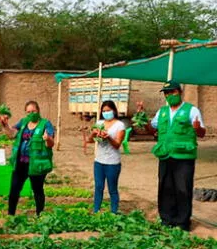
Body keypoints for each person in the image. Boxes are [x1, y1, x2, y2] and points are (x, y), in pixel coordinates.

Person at [137, 80, 205, 231]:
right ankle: (166, 219)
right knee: (165, 188)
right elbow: (151, 130)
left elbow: (202, 133)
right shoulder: (161, 112)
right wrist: (142, 116)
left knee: (183, 189)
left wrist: (197, 128)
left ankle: (182, 222)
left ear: (180, 92)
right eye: (167, 93)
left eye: (172, 92)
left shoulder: (191, 110)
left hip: (184, 157)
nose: (169, 95)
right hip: (165, 155)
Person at [0, 101, 55, 216]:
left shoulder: (45, 124)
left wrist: (47, 138)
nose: (31, 114)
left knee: (37, 190)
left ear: (38, 111)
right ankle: (10, 215)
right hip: (21, 163)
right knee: (14, 190)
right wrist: (5, 124)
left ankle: (40, 215)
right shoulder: (23, 122)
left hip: (36, 164)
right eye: (28, 112)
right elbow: (12, 134)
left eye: (33, 111)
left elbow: (51, 144)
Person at [87, 100, 126, 214]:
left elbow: (117, 144)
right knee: (98, 187)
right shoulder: (99, 123)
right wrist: (94, 134)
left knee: (112, 189)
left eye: (108, 110)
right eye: (104, 111)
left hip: (112, 162)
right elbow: (90, 140)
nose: (106, 113)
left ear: (114, 110)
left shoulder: (120, 125)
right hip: (99, 161)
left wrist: (108, 137)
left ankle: (114, 212)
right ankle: (96, 210)